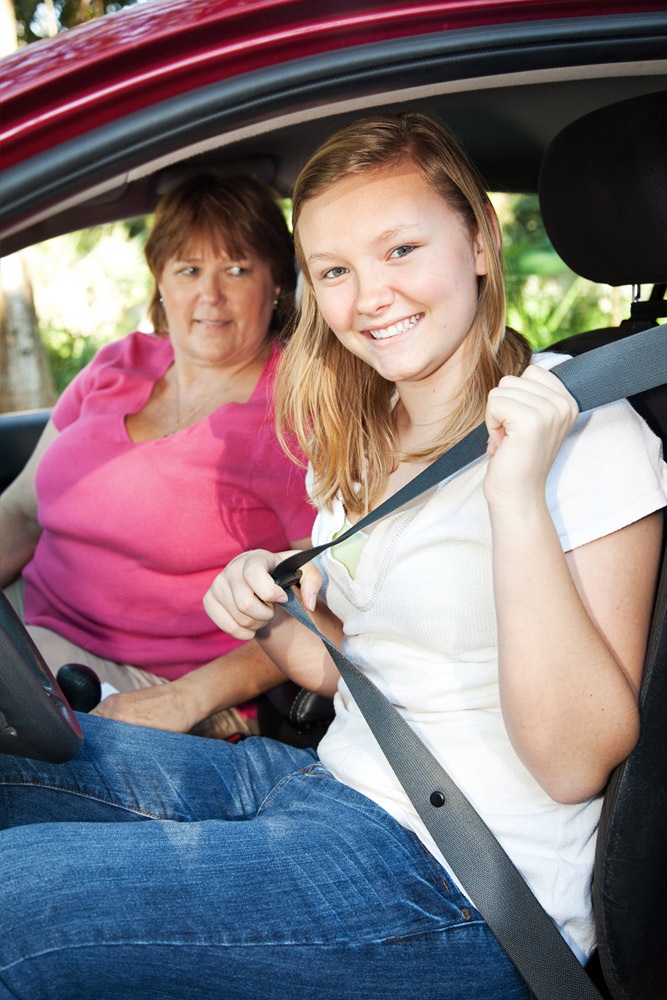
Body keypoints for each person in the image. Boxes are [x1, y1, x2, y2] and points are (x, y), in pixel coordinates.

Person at [0, 113, 665, 999]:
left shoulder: (590, 434)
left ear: (477, 240)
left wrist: (515, 501)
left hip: (457, 883)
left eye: (400, 250)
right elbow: (340, 668)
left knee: (18, 904)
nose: (370, 297)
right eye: (336, 271)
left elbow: (572, 762)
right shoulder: (362, 434)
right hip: (322, 788)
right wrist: (269, 606)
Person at [0, 173, 314, 740]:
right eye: (189, 269)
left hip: (154, 687)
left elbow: (325, 610)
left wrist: (184, 700)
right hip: (23, 626)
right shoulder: (118, 363)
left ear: (277, 284)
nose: (209, 295)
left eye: (237, 269)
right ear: (161, 282)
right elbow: (21, 512)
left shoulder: (299, 411)